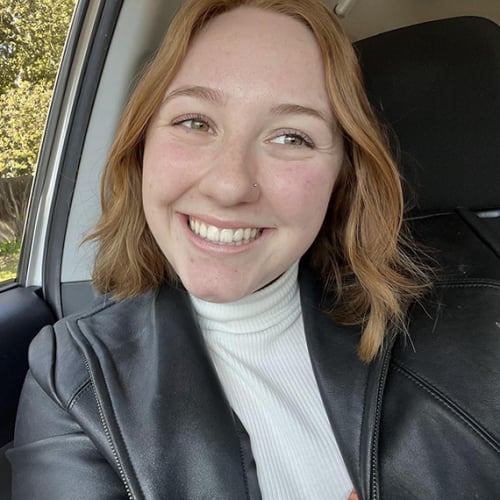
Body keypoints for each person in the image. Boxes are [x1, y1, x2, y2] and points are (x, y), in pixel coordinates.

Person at [7, 0, 500, 499]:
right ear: (141, 145)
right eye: (195, 122)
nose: (229, 185)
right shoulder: (73, 379)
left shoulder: (479, 314)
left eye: (291, 137)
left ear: (343, 176)